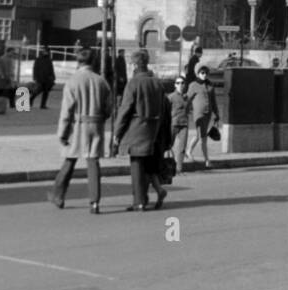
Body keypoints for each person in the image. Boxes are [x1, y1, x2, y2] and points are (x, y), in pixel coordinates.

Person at [48, 47, 111, 214]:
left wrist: (62, 132)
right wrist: (101, 117)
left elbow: (66, 110)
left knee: (70, 160)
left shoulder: (72, 81)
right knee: (93, 162)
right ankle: (95, 202)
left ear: (78, 61)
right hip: (96, 125)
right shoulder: (101, 81)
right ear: (93, 61)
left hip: (78, 125)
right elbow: (109, 107)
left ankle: (58, 195)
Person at [111, 49, 169, 211]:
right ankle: (144, 197)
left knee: (136, 166)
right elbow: (164, 109)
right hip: (153, 130)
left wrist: (117, 133)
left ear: (135, 64)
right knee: (146, 165)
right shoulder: (157, 83)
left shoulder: (133, 83)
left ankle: (139, 201)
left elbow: (125, 110)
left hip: (136, 129)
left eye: (131, 63)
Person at [184, 64, 220, 168]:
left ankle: (195, 153)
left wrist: (217, 113)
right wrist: (184, 110)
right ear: (198, 73)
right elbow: (187, 99)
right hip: (198, 114)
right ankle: (203, 158)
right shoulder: (193, 85)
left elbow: (213, 101)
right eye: (202, 73)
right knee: (201, 135)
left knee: (201, 136)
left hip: (208, 114)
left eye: (206, 73)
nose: (204, 75)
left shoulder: (209, 85)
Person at [169, 76, 190, 173]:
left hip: (184, 124)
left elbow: (189, 110)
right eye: (178, 83)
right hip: (173, 124)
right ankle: (165, 165)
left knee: (182, 147)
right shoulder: (171, 97)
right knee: (168, 145)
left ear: (185, 85)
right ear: (175, 85)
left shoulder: (186, 97)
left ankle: (179, 168)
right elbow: (165, 110)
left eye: (182, 83)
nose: (180, 85)